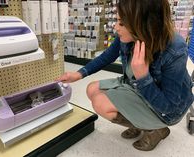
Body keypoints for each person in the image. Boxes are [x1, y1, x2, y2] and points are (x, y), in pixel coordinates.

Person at [57, 0, 194, 151]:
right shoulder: (131, 36)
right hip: (135, 84)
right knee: (91, 89)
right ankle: (140, 120)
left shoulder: (175, 48)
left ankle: (156, 130)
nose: (115, 27)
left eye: (121, 23)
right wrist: (79, 74)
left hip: (167, 109)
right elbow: (108, 55)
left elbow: (169, 107)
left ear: (143, 24)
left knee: (100, 103)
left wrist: (143, 77)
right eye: (117, 21)